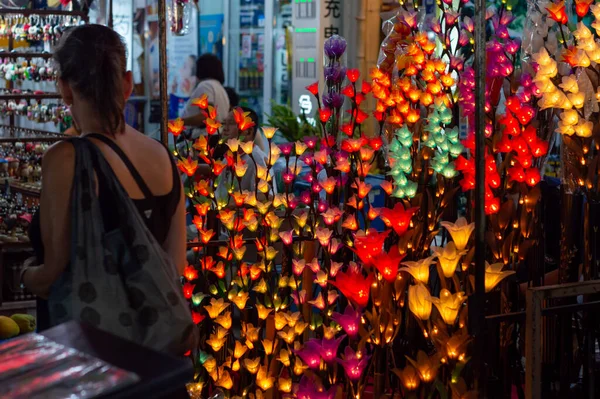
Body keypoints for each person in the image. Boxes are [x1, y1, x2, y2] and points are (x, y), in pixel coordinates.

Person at [21, 25, 187, 330]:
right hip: (153, 356)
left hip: (86, 354)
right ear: (127, 83)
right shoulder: (162, 158)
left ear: (64, 88)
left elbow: (53, 277)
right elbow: (175, 266)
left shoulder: (66, 158)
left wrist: (25, 273)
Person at [182, 54, 230, 128]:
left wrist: (181, 122)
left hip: (203, 136)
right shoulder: (219, 87)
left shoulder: (205, 86)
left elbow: (207, 116)